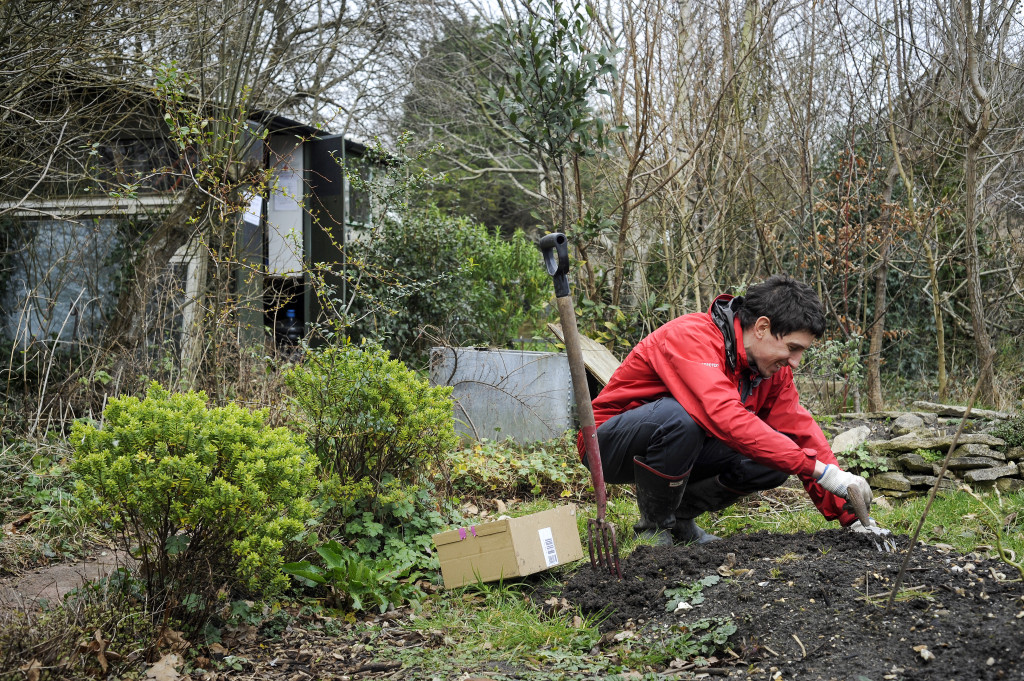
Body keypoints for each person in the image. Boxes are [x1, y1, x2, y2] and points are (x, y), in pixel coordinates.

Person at [582, 275, 884, 546]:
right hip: (607, 445)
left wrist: (851, 513)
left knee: (777, 458)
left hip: (684, 446)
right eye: (793, 348)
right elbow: (724, 416)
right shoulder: (693, 337)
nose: (795, 362)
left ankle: (679, 519)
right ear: (763, 327)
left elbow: (801, 433)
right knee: (680, 418)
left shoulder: (771, 372)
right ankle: (654, 527)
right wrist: (819, 470)